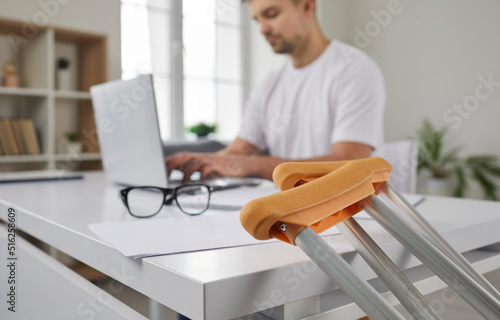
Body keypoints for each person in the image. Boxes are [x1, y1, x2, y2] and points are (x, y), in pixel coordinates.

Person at [167, 0, 385, 184]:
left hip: (346, 212)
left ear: (308, 6)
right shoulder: (269, 85)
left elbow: (349, 162)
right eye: (257, 20)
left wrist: (251, 165)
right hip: (288, 208)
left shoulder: (355, 69)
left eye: (270, 15)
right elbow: (239, 151)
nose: (262, 28)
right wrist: (194, 160)